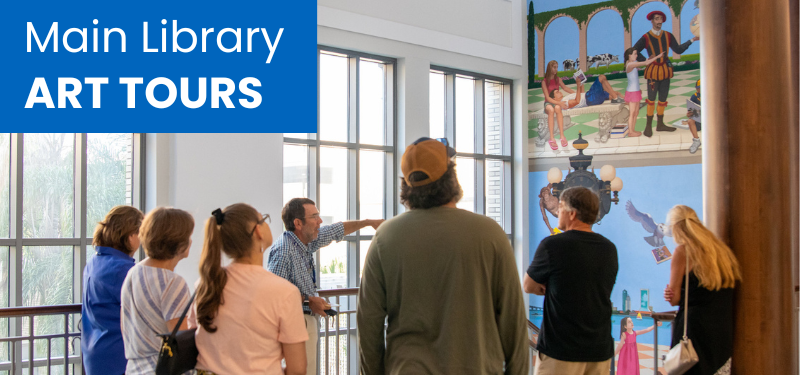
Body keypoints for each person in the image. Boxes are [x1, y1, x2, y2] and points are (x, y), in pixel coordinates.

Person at [358, 137, 528, 375]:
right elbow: (514, 320)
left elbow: (369, 322)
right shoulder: (489, 234)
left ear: (407, 185)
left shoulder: (386, 237)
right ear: (451, 178)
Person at [191, 204, 308, 375]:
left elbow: (196, 339)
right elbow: (297, 369)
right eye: (264, 219)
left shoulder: (204, 284)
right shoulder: (284, 292)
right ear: (258, 231)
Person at [524, 187, 618, 375]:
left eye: (561, 206)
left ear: (572, 214)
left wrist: (550, 287)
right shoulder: (609, 249)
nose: (558, 212)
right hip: (599, 349)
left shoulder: (552, 245)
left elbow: (528, 285)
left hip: (561, 349)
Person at [663, 205, 740, 375]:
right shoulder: (720, 250)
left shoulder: (683, 251)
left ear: (675, 227)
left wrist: (672, 294)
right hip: (721, 334)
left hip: (694, 336)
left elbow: (674, 298)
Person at [120, 207, 194, 374]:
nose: (191, 241)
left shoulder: (133, 273)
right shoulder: (172, 282)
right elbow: (180, 343)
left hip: (134, 368)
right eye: (188, 236)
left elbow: (124, 326)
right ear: (178, 242)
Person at [82, 206, 144, 375]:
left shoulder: (94, 262)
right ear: (131, 236)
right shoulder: (123, 270)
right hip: (118, 358)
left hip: (95, 353)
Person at [633, 10, 699, 137]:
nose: (659, 22)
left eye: (660, 19)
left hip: (665, 71)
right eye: (656, 19)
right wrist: (645, 61)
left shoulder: (668, 35)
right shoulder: (646, 37)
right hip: (653, 72)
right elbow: (635, 51)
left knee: (663, 99)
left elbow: (678, 49)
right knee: (651, 100)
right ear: (652, 21)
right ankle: (648, 126)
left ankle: (660, 124)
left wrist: (692, 40)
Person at [623, 48, 665, 137]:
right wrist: (658, 56)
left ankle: (632, 130)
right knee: (632, 113)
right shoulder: (630, 64)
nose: (636, 55)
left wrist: (650, 58)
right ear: (629, 55)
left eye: (636, 54)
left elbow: (645, 62)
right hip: (632, 92)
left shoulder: (631, 63)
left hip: (636, 91)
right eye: (634, 54)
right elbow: (645, 63)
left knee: (636, 112)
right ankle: (631, 132)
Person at [542, 60, 574, 150]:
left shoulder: (558, 79)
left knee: (557, 109)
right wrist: (559, 103)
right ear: (550, 68)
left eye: (557, 67)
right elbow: (547, 98)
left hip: (556, 101)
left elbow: (565, 88)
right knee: (551, 110)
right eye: (554, 67)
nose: (556, 69)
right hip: (548, 102)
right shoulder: (544, 82)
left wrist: (576, 94)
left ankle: (562, 136)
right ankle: (552, 138)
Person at [548, 74, 625, 110]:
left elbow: (580, 94)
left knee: (616, 93)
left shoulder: (565, 98)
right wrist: (578, 85)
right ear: (554, 99)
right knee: (601, 77)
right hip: (590, 98)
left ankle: (626, 100)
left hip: (589, 96)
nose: (560, 92)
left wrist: (581, 83)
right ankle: (615, 98)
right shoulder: (563, 103)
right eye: (557, 93)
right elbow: (577, 101)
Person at [684, 79, 702, 153]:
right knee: (690, 120)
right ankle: (696, 140)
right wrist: (689, 114)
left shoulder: (713, 94)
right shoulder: (694, 96)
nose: (698, 89)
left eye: (699, 88)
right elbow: (690, 112)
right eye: (697, 88)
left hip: (712, 118)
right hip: (700, 118)